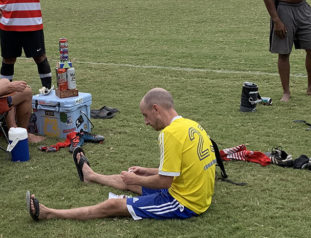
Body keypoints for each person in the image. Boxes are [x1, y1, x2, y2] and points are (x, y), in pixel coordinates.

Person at [27, 88, 217, 221]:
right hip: (195, 192)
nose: (146, 122)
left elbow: (164, 182)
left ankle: (50, 213)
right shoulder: (191, 125)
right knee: (131, 180)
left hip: (185, 203)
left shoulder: (169, 134)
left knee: (114, 205)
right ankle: (91, 176)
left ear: (156, 109)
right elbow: (181, 169)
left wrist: (136, 178)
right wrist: (145, 172)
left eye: (145, 115)